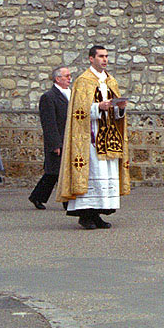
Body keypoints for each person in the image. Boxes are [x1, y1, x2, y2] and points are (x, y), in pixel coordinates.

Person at [57, 46, 129, 230]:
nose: (104, 59)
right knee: (92, 174)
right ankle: (86, 215)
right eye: (100, 56)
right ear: (91, 58)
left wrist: (119, 108)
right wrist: (98, 108)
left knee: (105, 173)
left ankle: (97, 214)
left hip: (109, 137)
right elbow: (77, 111)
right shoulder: (83, 81)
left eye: (106, 56)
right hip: (90, 136)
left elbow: (117, 112)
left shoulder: (111, 80)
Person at [29, 66, 72, 210]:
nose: (69, 78)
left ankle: (37, 196)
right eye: (66, 76)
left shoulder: (70, 94)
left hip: (69, 139)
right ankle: (67, 201)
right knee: (56, 172)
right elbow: (49, 123)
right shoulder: (49, 97)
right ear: (57, 79)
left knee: (56, 173)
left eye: (69, 76)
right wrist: (55, 144)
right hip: (57, 140)